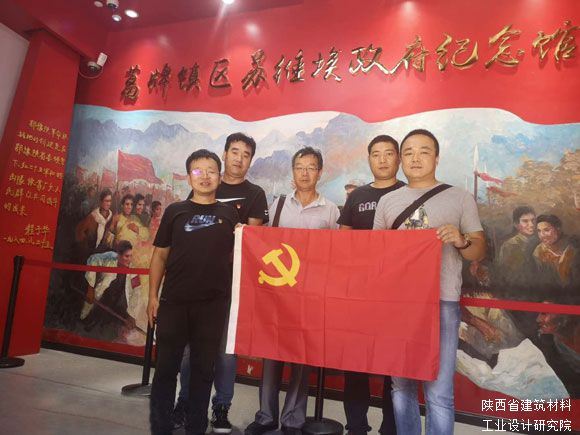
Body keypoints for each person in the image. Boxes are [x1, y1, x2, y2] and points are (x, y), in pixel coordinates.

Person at [373, 129, 486, 435]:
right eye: (408, 152)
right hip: (399, 305)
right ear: (401, 159)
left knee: (439, 390)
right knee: (401, 386)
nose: (415, 158)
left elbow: (478, 250)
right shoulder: (387, 202)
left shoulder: (459, 197)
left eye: (424, 151)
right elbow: (376, 255)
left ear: (436, 158)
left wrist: (461, 241)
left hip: (442, 303)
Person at [175, 133, 269, 433]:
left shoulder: (255, 194)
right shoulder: (206, 184)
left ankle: (221, 408)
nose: (239, 158)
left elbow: (252, 241)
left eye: (246, 154)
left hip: (232, 286)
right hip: (196, 283)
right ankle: (185, 403)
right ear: (225, 154)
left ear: (250, 160)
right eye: (234, 151)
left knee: (226, 353)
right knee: (190, 351)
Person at [245, 146, 340, 435]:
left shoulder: (331, 210)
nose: (305, 173)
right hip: (278, 294)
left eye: (311, 167)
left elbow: (338, 254)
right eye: (300, 167)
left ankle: (292, 420)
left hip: (311, 295)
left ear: (320, 173)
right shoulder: (278, 205)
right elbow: (262, 242)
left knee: (301, 357)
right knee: (271, 353)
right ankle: (266, 416)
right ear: (293, 171)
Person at [148, 149, 239, 435]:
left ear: (219, 177)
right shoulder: (175, 211)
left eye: (211, 171)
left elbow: (240, 255)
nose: (205, 176)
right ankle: (161, 426)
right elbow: (160, 256)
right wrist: (152, 296)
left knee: (203, 371)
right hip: (174, 302)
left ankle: (196, 427)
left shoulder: (229, 215)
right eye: (198, 171)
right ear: (189, 177)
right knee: (166, 369)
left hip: (212, 306)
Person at [337, 135, 405, 435]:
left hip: (396, 295)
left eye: (389, 153)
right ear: (369, 159)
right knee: (356, 364)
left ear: (398, 159)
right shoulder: (357, 196)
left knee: (394, 368)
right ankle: (356, 426)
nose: (382, 159)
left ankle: (390, 427)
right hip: (359, 293)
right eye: (376, 154)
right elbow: (342, 242)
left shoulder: (408, 193)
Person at [80, 240, 138, 340]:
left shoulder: (133, 269)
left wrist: (132, 315)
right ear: (118, 255)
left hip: (119, 304)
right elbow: (92, 260)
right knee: (89, 325)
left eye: (131, 256)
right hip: (102, 298)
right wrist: (90, 288)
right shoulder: (109, 257)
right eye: (126, 256)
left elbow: (137, 291)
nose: (129, 260)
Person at [496, 206, 537, 293]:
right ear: (516, 224)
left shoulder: (539, 242)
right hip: (517, 290)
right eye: (525, 221)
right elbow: (507, 274)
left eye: (533, 220)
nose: (531, 224)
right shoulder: (509, 245)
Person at [533, 214, 577, 289]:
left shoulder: (573, 247)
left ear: (558, 229)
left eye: (546, 230)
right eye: (539, 231)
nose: (542, 235)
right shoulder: (539, 252)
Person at [75, 189, 113, 261]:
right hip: (90, 251)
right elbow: (80, 232)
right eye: (106, 201)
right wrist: (85, 246)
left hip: (102, 251)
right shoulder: (93, 216)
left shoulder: (110, 216)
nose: (109, 204)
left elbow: (108, 231)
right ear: (101, 202)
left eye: (110, 201)